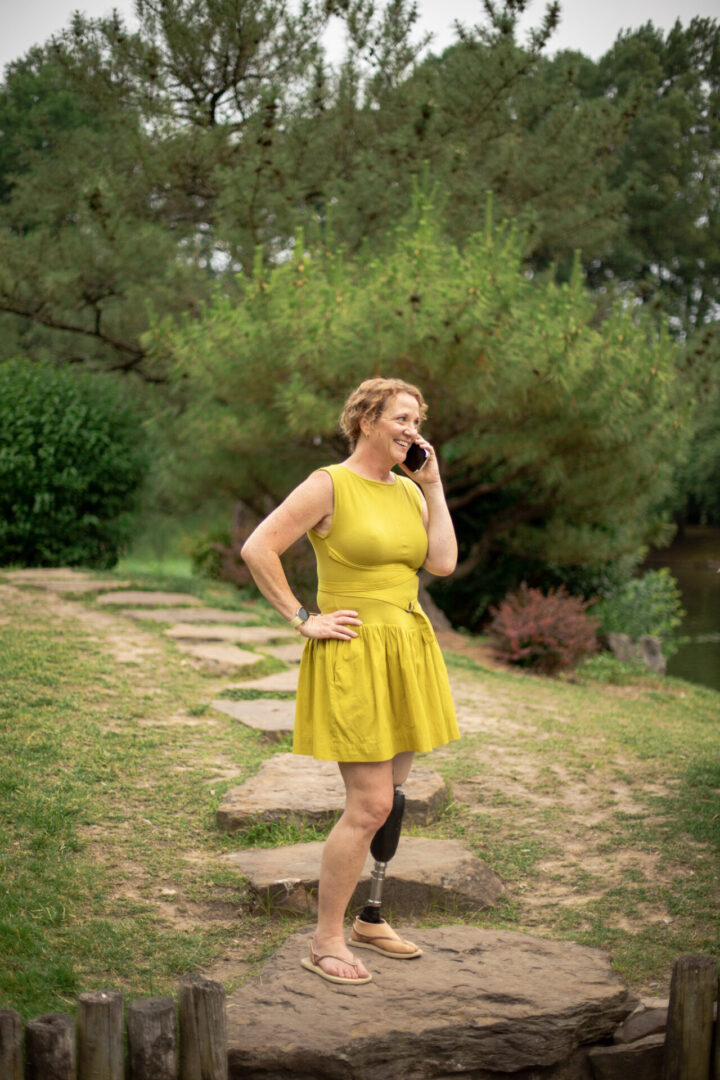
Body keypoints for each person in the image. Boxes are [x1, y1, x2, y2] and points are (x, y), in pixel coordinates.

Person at [241, 377, 459, 985]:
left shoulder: (411, 493)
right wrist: (302, 618)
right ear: (366, 419)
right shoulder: (327, 485)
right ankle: (325, 940)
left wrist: (433, 486)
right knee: (370, 804)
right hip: (354, 654)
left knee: (393, 797)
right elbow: (259, 548)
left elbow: (441, 562)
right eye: (402, 418)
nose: (413, 431)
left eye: (418, 421)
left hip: (408, 650)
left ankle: (371, 916)